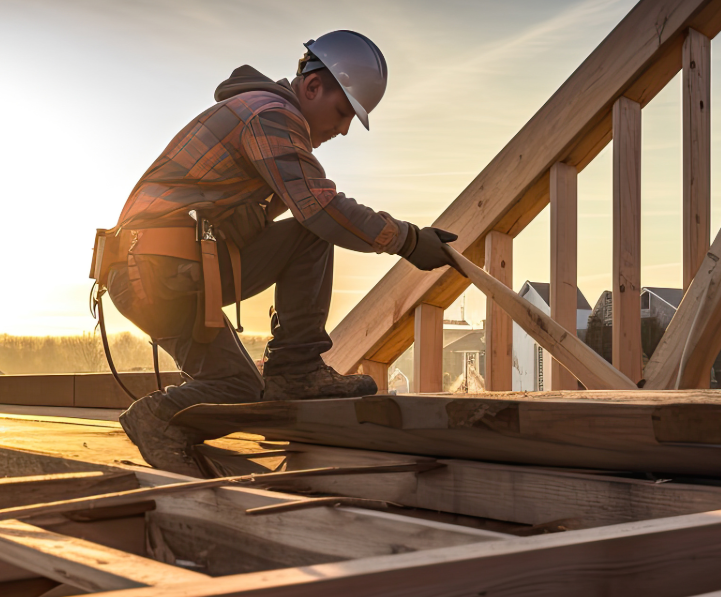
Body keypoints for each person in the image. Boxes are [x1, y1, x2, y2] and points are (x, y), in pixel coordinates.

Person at [94, 30, 460, 476]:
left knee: (237, 387)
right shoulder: (271, 116)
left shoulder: (263, 121)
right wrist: (406, 239)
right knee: (313, 230)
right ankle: (288, 372)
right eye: (342, 111)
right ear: (311, 87)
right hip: (157, 272)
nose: (343, 128)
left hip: (173, 273)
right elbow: (322, 208)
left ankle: (189, 409)